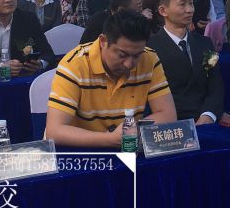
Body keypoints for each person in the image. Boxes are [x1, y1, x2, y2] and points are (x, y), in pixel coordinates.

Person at [45, 10, 176, 147]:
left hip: (129, 146)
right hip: (85, 149)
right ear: (103, 41)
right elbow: (54, 131)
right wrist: (109, 139)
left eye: (137, 55)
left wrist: (133, 131)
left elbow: (168, 115)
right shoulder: (75, 64)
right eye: (122, 55)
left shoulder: (149, 59)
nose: (129, 64)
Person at [147, 0, 224, 124]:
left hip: (206, 121)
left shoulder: (206, 43)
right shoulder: (150, 49)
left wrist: (208, 115)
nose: (190, 10)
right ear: (163, 10)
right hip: (173, 124)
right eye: (182, 4)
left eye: (191, 3)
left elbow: (215, 84)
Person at [80, 0, 149, 44]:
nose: (140, 11)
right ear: (121, 10)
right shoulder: (98, 22)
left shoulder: (138, 21)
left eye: (141, 6)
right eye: (138, 8)